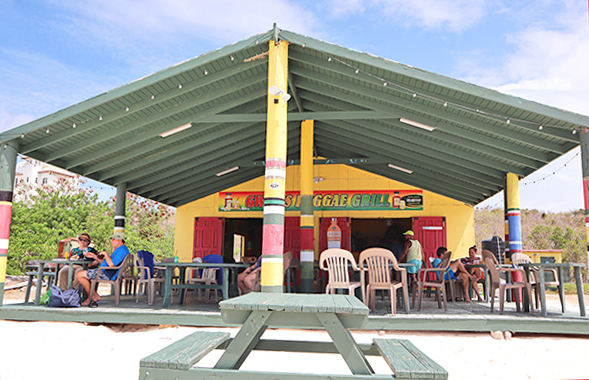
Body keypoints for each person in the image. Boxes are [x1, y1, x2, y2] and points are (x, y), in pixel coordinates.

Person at [76, 231, 130, 307]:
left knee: (79, 274)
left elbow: (111, 265)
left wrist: (106, 254)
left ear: (120, 240)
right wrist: (94, 256)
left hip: (108, 274)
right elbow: (107, 263)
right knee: (81, 273)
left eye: (113, 239)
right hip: (106, 271)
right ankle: (93, 296)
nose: (111, 240)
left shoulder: (122, 250)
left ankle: (92, 297)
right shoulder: (119, 249)